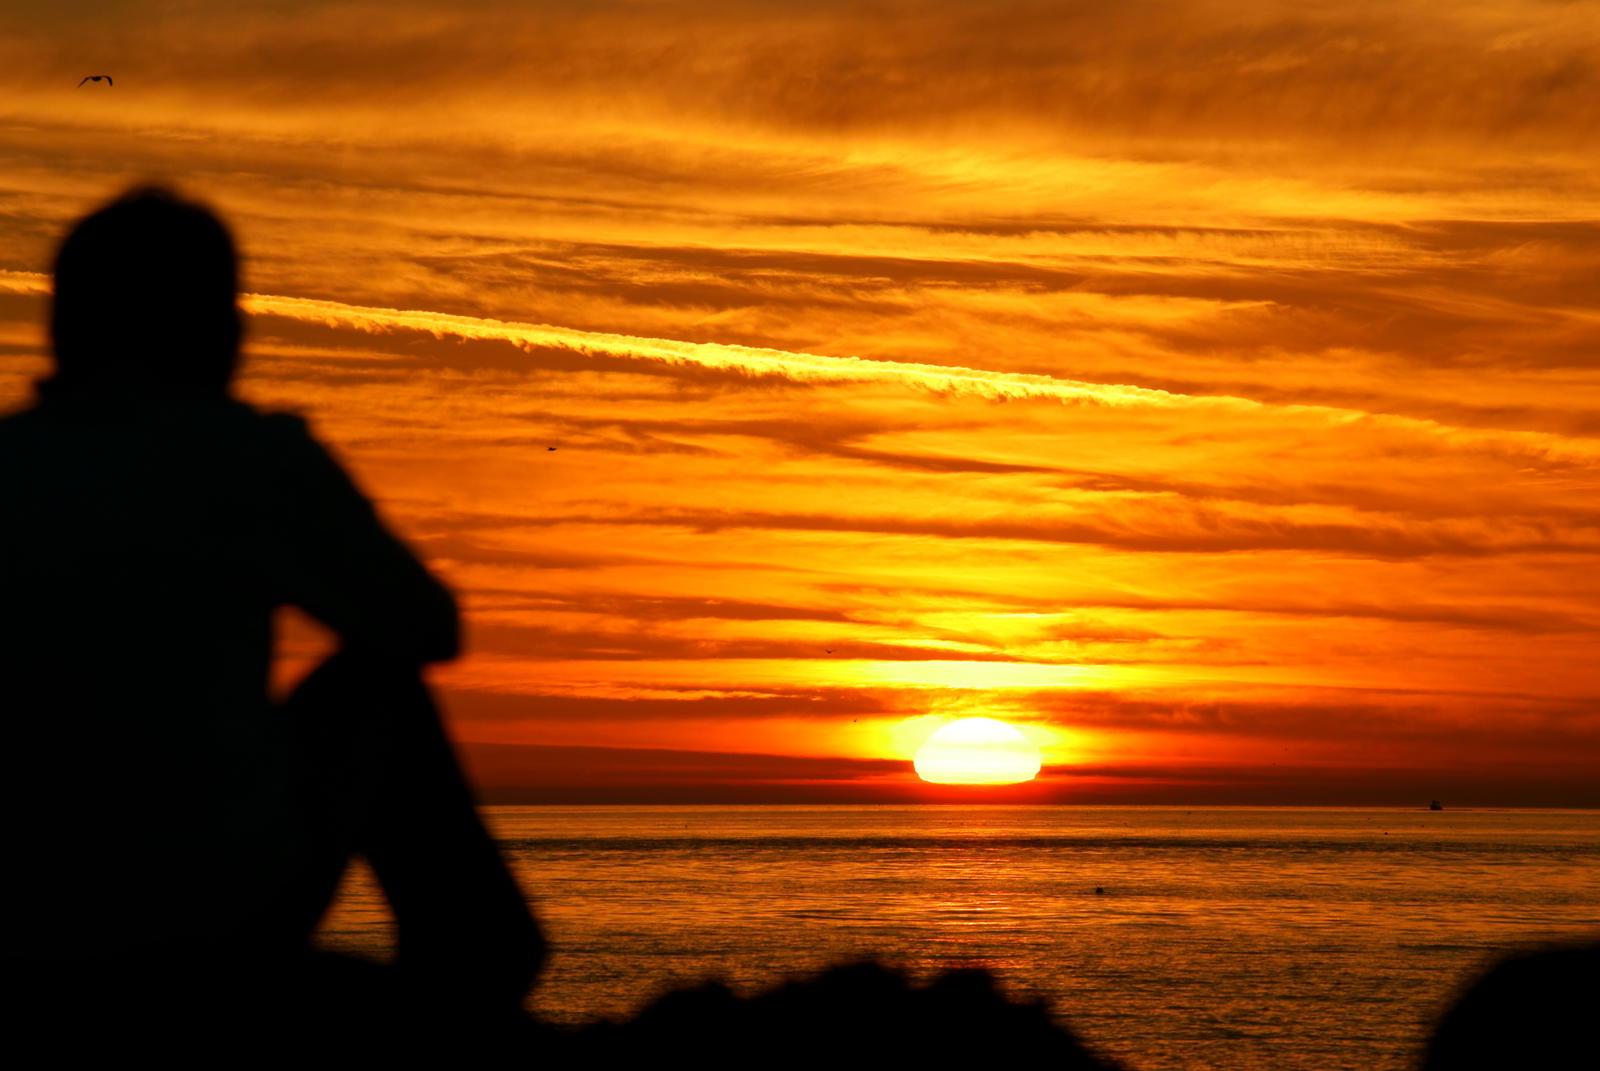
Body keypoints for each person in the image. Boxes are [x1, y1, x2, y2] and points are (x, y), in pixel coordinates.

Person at [0, 186, 542, 1040]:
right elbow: (425, 625)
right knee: (379, 687)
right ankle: (471, 977)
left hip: (23, 916)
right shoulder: (249, 458)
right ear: (218, 329)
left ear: (65, 326)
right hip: (208, 902)